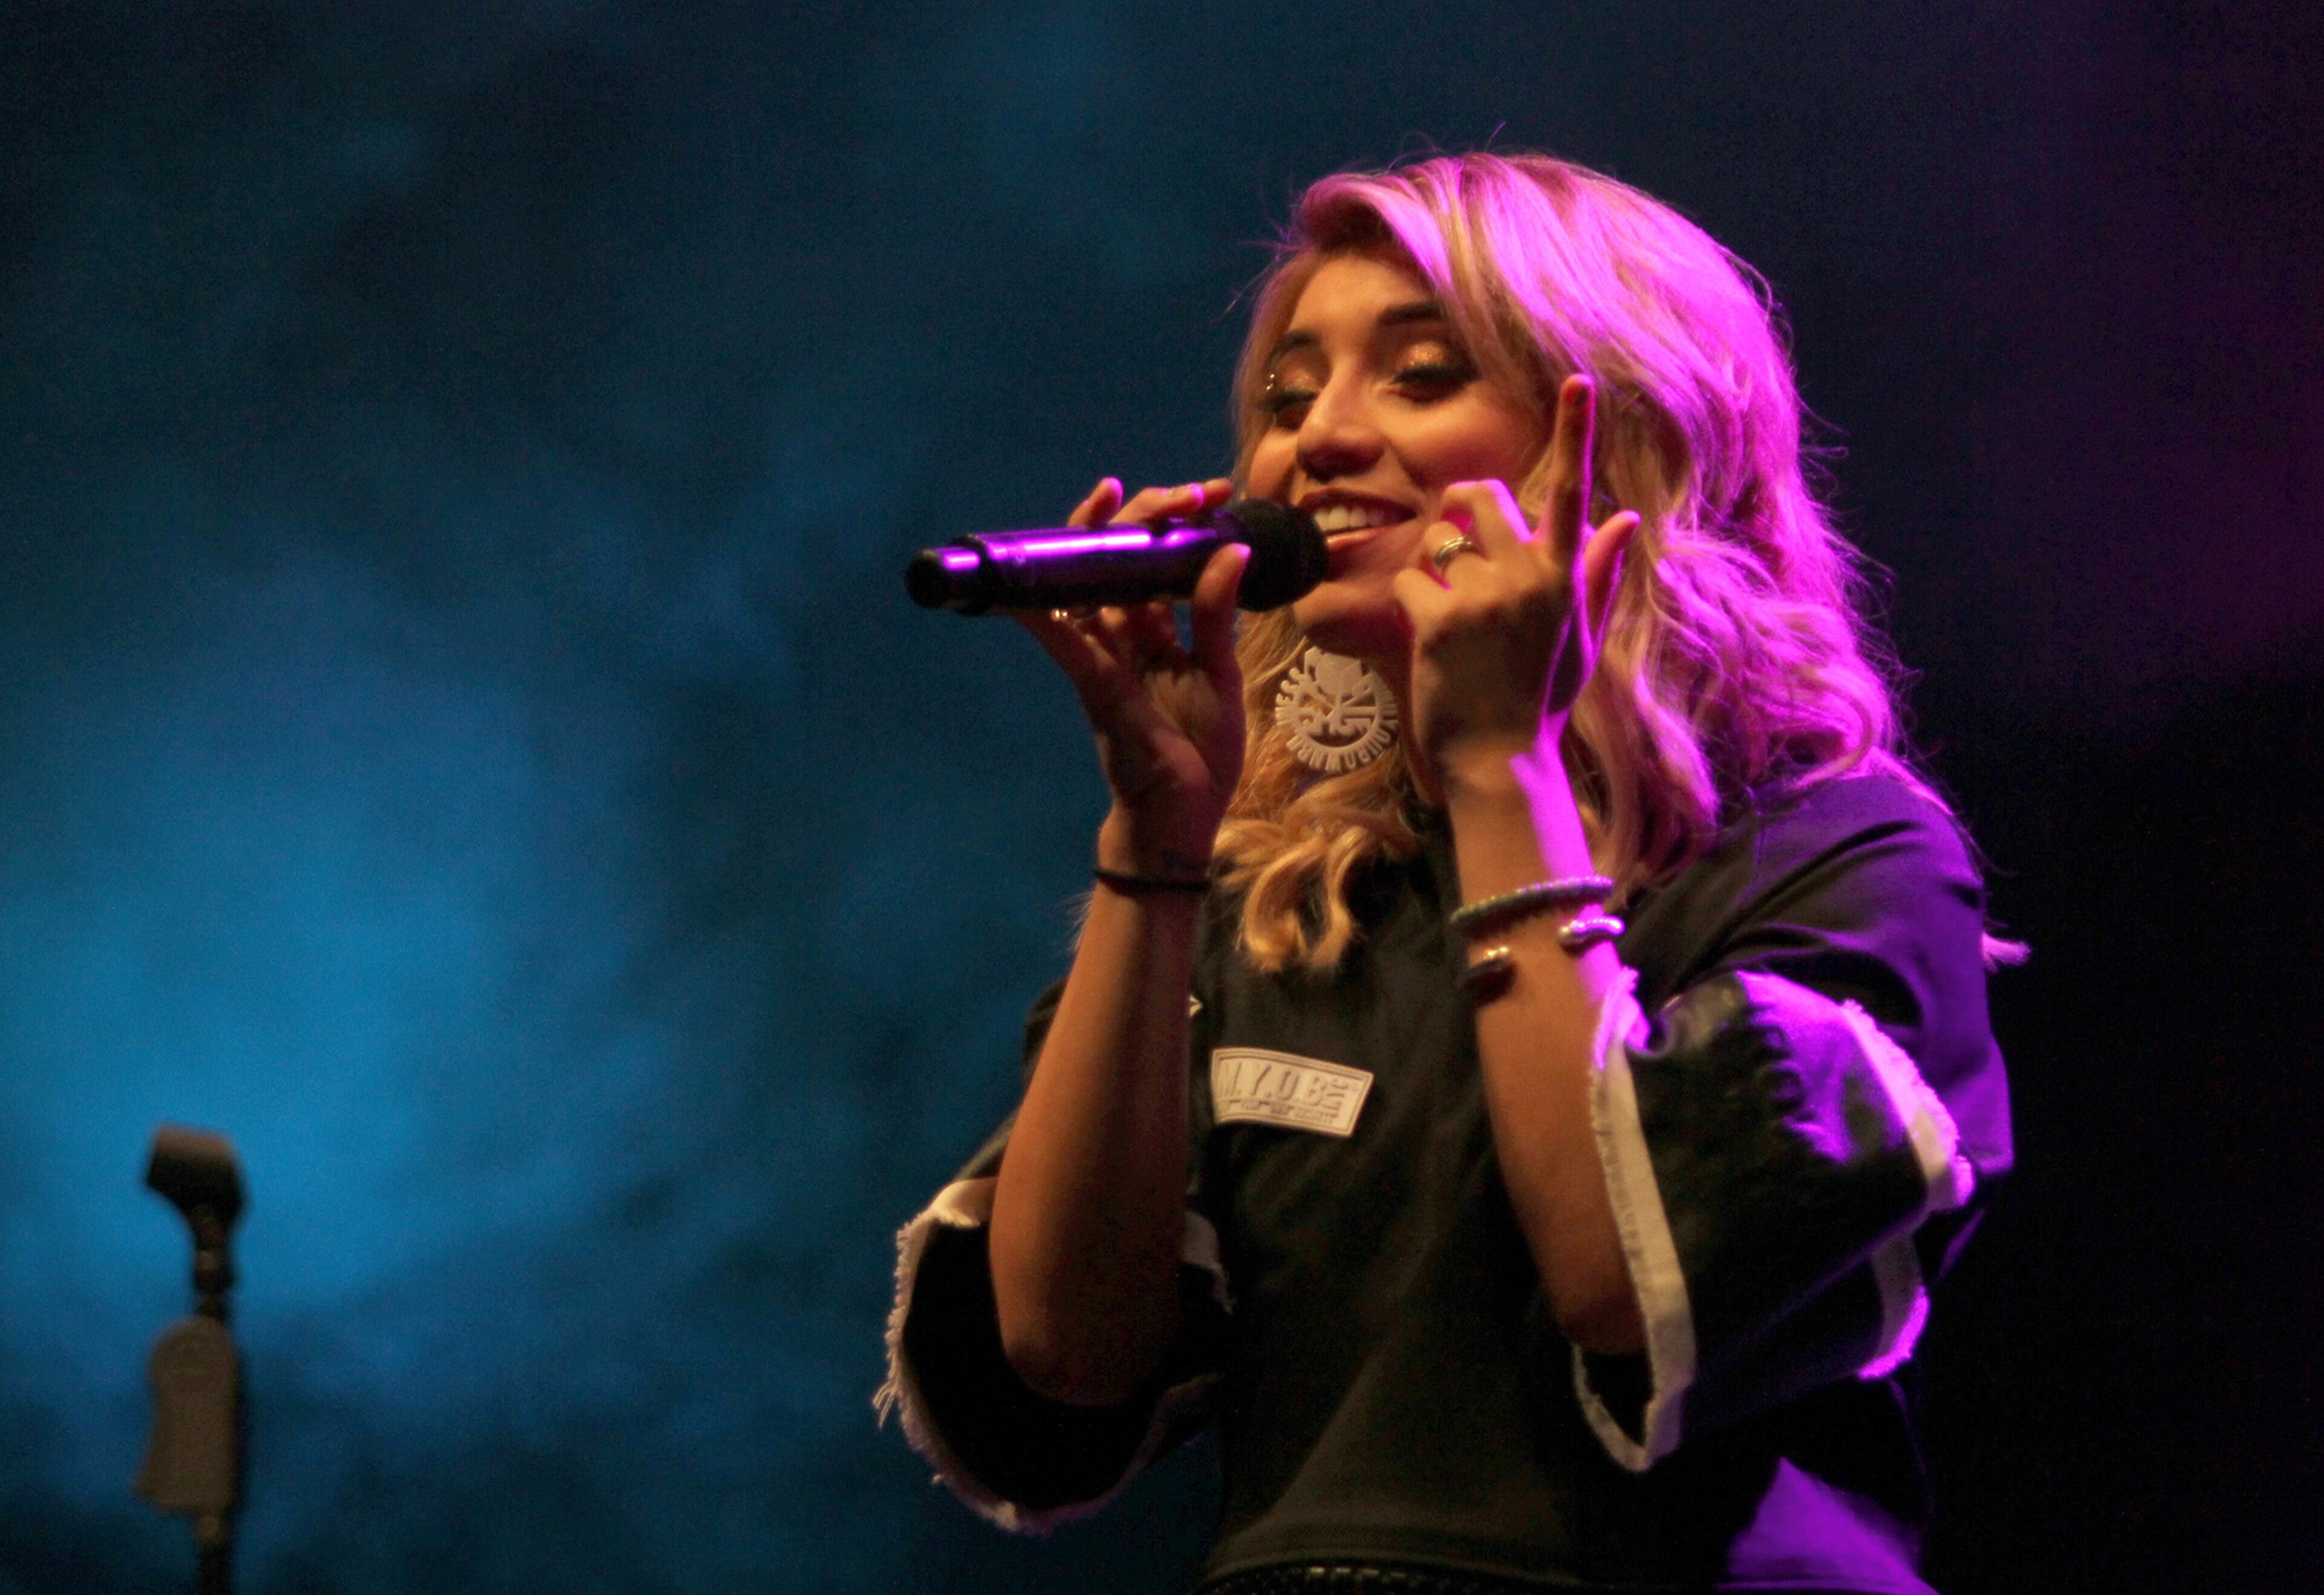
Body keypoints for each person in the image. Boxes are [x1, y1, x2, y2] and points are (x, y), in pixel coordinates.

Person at [878, 151, 2013, 1595]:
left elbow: (1629, 1280)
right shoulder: (1285, 902)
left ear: (1624, 445)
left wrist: (1497, 768)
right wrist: (1152, 848)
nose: (1318, 443)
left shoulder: (1833, 860)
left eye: (1419, 376)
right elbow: (1062, 1348)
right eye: (1287, 400)